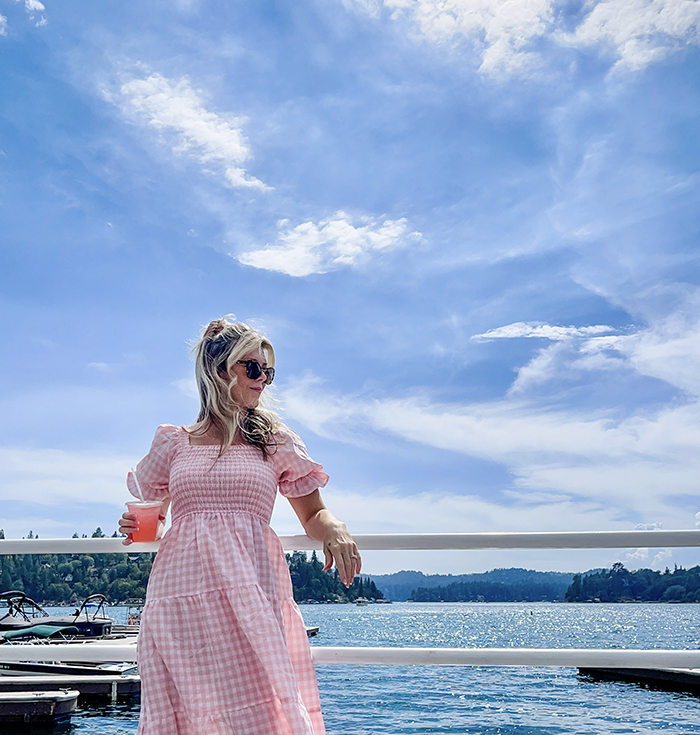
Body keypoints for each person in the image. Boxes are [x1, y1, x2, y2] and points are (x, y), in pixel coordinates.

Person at [119, 316, 361, 735]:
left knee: (262, 713)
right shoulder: (173, 441)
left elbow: (312, 514)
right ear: (219, 369)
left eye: (268, 371)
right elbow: (154, 518)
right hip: (182, 597)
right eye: (252, 368)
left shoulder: (273, 440)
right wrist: (138, 526)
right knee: (188, 715)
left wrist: (335, 527)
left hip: (251, 592)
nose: (263, 380)